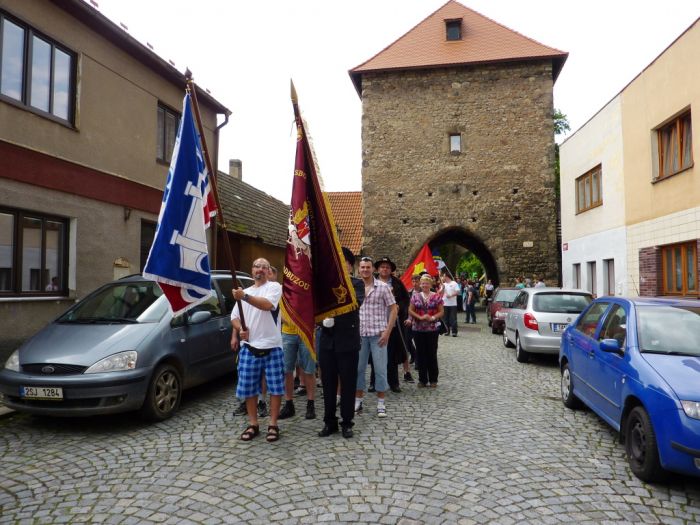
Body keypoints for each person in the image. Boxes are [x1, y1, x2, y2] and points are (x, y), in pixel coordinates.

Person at [230, 258, 285, 442]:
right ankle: (253, 424)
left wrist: (243, 297)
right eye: (256, 266)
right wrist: (240, 329)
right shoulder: (244, 292)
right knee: (248, 388)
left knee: (276, 388)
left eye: (264, 267)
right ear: (252, 270)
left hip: (272, 346)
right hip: (249, 347)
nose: (260, 269)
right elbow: (234, 317)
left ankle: (273, 424)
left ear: (268, 271)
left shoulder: (274, 287)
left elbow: (267, 305)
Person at [318, 247, 364, 438]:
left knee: (348, 383)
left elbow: (355, 303)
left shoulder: (357, 284)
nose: (340, 265)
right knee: (328, 385)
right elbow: (316, 308)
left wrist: (334, 314)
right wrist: (323, 320)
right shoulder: (324, 285)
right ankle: (330, 422)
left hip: (348, 341)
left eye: (343, 262)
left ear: (349, 265)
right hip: (327, 341)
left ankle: (347, 422)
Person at [355, 256, 397, 418]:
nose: (365, 270)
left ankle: (381, 402)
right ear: (359, 269)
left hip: (378, 335)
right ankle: (358, 400)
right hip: (359, 335)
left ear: (373, 269)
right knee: (358, 369)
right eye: (363, 267)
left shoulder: (383, 287)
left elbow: (394, 309)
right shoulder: (355, 286)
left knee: (380, 370)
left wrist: (387, 332)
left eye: (368, 267)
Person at [374, 257, 412, 391]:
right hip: (376, 324)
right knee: (376, 354)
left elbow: (405, 300)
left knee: (392, 354)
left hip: (393, 324)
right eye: (382, 267)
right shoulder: (372, 282)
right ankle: (375, 382)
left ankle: (393, 382)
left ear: (391, 270)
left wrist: (398, 307)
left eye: (387, 267)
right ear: (378, 269)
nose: (385, 269)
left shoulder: (397, 283)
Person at [278, 312, 316, 420]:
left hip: (306, 331)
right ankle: (289, 404)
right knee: (286, 371)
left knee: (309, 370)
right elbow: (277, 307)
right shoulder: (283, 293)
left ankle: (310, 404)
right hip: (288, 332)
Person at [408, 274, 444, 387]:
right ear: (420, 284)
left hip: (432, 329)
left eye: (427, 283)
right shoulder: (415, 296)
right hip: (418, 329)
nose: (425, 285)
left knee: (432, 354)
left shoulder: (436, 296)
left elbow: (441, 311)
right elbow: (410, 310)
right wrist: (419, 317)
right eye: (423, 283)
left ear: (430, 284)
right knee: (420, 353)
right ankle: (422, 379)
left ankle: (433, 379)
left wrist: (433, 317)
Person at [440, 270, 460, 336]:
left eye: (443, 276)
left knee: (453, 318)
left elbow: (458, 292)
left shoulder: (454, 283)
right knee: (445, 319)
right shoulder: (443, 284)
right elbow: (440, 293)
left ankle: (454, 332)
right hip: (444, 304)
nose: (442, 277)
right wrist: (442, 288)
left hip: (452, 304)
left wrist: (451, 295)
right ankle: (447, 331)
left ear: (446, 277)